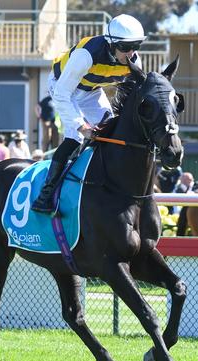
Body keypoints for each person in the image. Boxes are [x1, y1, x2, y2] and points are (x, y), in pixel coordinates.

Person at [31, 14, 147, 213]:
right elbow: (62, 94)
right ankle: (45, 196)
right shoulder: (86, 55)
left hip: (90, 91)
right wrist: (81, 125)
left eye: (136, 46)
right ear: (111, 44)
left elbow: (132, 98)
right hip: (62, 87)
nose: (131, 53)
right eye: (126, 47)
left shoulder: (133, 60)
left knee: (111, 129)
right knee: (75, 136)